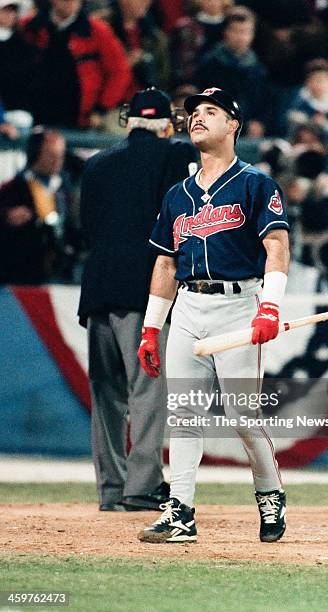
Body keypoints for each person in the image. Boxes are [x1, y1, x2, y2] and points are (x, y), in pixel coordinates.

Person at [137, 87, 290, 543]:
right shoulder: (177, 195)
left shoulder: (255, 183)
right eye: (192, 113)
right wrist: (150, 327)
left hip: (238, 306)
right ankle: (179, 512)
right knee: (183, 414)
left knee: (244, 415)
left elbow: (277, 246)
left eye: (210, 111)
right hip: (188, 306)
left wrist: (270, 306)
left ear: (233, 125)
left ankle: (269, 492)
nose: (196, 118)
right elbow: (165, 263)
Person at [78, 88, 197, 512]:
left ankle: (111, 489)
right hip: (144, 292)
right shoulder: (174, 155)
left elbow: (85, 231)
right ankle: (142, 487)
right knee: (147, 391)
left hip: (97, 292)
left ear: (128, 122)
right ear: (167, 124)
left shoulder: (96, 164)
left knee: (106, 394)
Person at [21, 0, 132, 129]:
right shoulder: (29, 27)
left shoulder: (97, 31)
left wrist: (101, 109)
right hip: (35, 114)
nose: (70, 2)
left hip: (78, 117)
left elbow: (119, 72)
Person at [0, 127, 79, 284]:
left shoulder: (64, 190)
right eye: (52, 156)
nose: (58, 162)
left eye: (60, 156)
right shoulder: (14, 188)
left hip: (58, 271)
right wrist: (7, 217)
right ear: (36, 154)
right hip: (21, 270)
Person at [194, 6, 271, 137]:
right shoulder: (210, 64)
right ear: (226, 32)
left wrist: (259, 122)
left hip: (247, 131)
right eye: (236, 31)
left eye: (245, 32)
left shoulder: (258, 69)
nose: (240, 37)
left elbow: (264, 102)